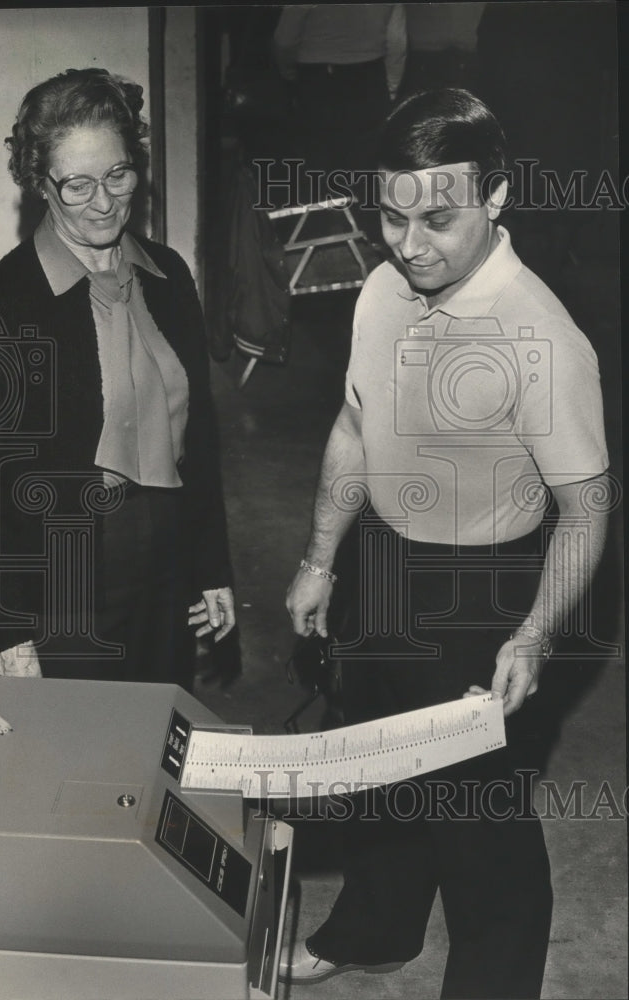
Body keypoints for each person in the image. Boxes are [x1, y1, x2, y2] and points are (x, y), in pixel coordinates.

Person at [283, 89, 609, 998]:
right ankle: (375, 930)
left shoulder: (543, 337)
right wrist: (319, 557)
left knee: (479, 823)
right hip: (383, 561)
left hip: (483, 592)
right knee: (380, 771)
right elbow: (353, 426)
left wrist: (534, 636)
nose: (409, 242)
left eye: (437, 218)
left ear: (496, 197)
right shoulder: (386, 287)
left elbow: (587, 506)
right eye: (391, 215)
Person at [0, 68, 235, 685]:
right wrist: (3, 627)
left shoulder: (168, 275)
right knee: (79, 749)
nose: (103, 200)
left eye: (118, 175)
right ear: (41, 184)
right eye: (77, 184)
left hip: (166, 547)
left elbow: (198, 440)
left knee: (159, 720)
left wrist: (212, 566)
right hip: (64, 566)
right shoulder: (4, 303)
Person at [273, 4, 407, 206]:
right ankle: (365, 231)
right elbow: (397, 41)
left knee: (316, 166)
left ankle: (320, 228)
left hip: (317, 79)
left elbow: (284, 40)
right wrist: (391, 88)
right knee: (365, 167)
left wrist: (291, 75)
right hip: (369, 78)